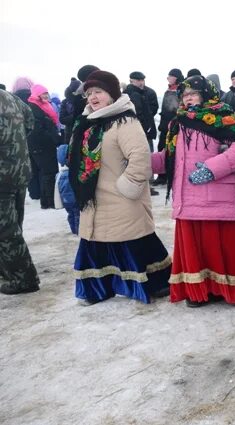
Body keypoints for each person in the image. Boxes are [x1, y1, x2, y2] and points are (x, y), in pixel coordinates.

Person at [151, 75, 235, 307]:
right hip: (188, 199)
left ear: (206, 94)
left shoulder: (224, 116)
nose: (188, 98)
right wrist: (143, 161)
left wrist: (212, 169)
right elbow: (169, 158)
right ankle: (200, 289)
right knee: (197, 249)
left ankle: (225, 289)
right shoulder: (177, 122)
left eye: (193, 93)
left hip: (217, 196)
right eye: (184, 95)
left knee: (219, 246)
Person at [68, 70, 171, 305]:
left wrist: (128, 186)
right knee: (94, 244)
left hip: (121, 198)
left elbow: (140, 156)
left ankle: (155, 284)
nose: (93, 97)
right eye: (89, 93)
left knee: (133, 241)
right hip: (93, 200)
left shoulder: (125, 121)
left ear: (112, 94)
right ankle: (96, 289)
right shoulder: (87, 123)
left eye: (99, 92)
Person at [0, 89, 40, 295]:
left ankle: (23, 278)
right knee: (13, 224)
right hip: (19, 170)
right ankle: (10, 270)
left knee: (6, 231)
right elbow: (30, 122)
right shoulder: (9, 97)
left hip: (3, 174)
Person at [26, 84, 61, 208]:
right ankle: (49, 201)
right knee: (48, 172)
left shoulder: (43, 105)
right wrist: (53, 138)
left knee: (47, 172)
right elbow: (37, 130)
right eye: (43, 93)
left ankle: (47, 200)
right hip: (41, 145)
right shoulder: (33, 107)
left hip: (45, 144)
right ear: (37, 95)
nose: (46, 95)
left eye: (47, 93)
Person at [154, 68, 184, 186]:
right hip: (164, 126)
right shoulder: (168, 91)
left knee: (173, 152)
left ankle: (173, 176)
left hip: (175, 127)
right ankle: (162, 176)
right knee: (162, 149)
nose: (168, 79)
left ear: (176, 77)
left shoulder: (181, 91)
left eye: (169, 76)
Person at [56, 144, 80, 235]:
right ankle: (78, 231)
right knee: (78, 215)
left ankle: (73, 229)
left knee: (70, 214)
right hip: (75, 199)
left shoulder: (59, 175)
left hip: (66, 201)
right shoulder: (73, 173)